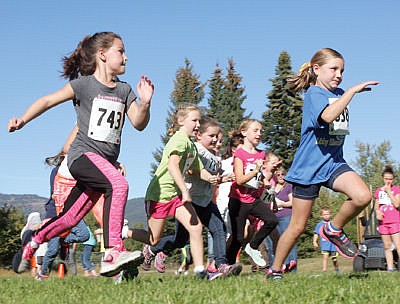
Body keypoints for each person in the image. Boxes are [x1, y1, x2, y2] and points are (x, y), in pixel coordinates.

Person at [8, 31, 154, 277]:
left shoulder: (125, 90)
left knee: (69, 219)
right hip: (82, 156)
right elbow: (47, 101)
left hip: (103, 163)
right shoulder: (84, 85)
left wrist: (146, 103)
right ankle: (113, 252)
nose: (126, 57)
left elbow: (139, 123)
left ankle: (32, 241)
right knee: (119, 185)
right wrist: (23, 120)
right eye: (121, 51)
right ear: (102, 54)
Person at [267, 48, 379, 280]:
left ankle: (333, 229)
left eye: (342, 70)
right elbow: (327, 117)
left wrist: (345, 94)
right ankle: (275, 269)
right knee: (297, 227)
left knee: (362, 196)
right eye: (334, 69)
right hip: (308, 170)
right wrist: (351, 92)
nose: (339, 74)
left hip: (333, 164)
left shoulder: (338, 93)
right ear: (317, 69)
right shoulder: (314, 93)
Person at [136, 116, 241, 279]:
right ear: (199, 135)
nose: (215, 140)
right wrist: (212, 178)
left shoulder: (214, 156)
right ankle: (152, 249)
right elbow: (190, 170)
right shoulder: (195, 148)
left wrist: (220, 178)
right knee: (179, 240)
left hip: (205, 201)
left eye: (217, 137)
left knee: (219, 229)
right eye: (211, 136)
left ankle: (220, 265)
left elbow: (208, 175)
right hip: (189, 200)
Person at [127, 103, 218, 279]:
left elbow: (199, 170)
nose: (198, 124)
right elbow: (172, 166)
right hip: (159, 195)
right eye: (194, 120)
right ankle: (125, 232)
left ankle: (200, 271)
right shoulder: (179, 140)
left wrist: (213, 178)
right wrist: (185, 190)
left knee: (196, 227)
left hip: (175, 196)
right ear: (181, 121)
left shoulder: (190, 145)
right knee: (153, 240)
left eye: (199, 121)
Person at [226, 119, 279, 266]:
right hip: (238, 200)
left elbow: (257, 176)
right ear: (244, 132)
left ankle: (253, 246)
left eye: (260, 131)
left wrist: (264, 180)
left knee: (272, 221)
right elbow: (240, 180)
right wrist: (256, 170)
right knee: (237, 238)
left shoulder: (261, 154)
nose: (259, 134)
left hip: (253, 199)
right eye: (255, 130)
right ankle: (227, 266)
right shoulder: (240, 154)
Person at [264, 166, 297, 272]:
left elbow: (292, 202)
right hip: (273, 218)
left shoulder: (288, 187)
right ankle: (275, 268)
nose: (280, 177)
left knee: (288, 241)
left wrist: (282, 203)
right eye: (278, 175)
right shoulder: (271, 187)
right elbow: (266, 203)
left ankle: (292, 269)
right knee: (274, 244)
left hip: (286, 216)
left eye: (283, 174)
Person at [374, 165, 400, 272]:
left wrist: (389, 191)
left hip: (394, 221)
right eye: (386, 179)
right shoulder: (378, 191)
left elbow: (397, 204)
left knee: (398, 245)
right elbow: (376, 205)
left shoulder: (397, 189)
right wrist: (377, 211)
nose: (388, 181)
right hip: (383, 223)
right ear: (382, 179)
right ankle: (390, 269)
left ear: (393, 179)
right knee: (387, 246)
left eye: (390, 179)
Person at [313, 207, 340, 272]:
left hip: (333, 244)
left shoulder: (333, 223)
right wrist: (314, 242)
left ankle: (337, 270)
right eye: (325, 214)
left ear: (330, 215)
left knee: (334, 259)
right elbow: (316, 233)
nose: (326, 216)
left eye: (328, 214)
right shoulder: (319, 225)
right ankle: (324, 270)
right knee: (325, 257)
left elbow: (338, 232)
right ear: (321, 216)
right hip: (325, 244)